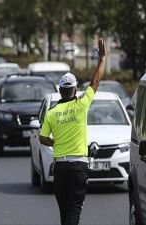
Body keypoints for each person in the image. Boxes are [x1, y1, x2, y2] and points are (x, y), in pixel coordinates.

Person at [39, 38, 106, 225]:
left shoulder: (52, 113)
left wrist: (56, 143)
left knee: (64, 210)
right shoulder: (81, 105)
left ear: (60, 91)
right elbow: (95, 82)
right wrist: (102, 59)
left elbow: (42, 138)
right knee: (74, 210)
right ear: (75, 90)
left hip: (60, 167)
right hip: (79, 167)